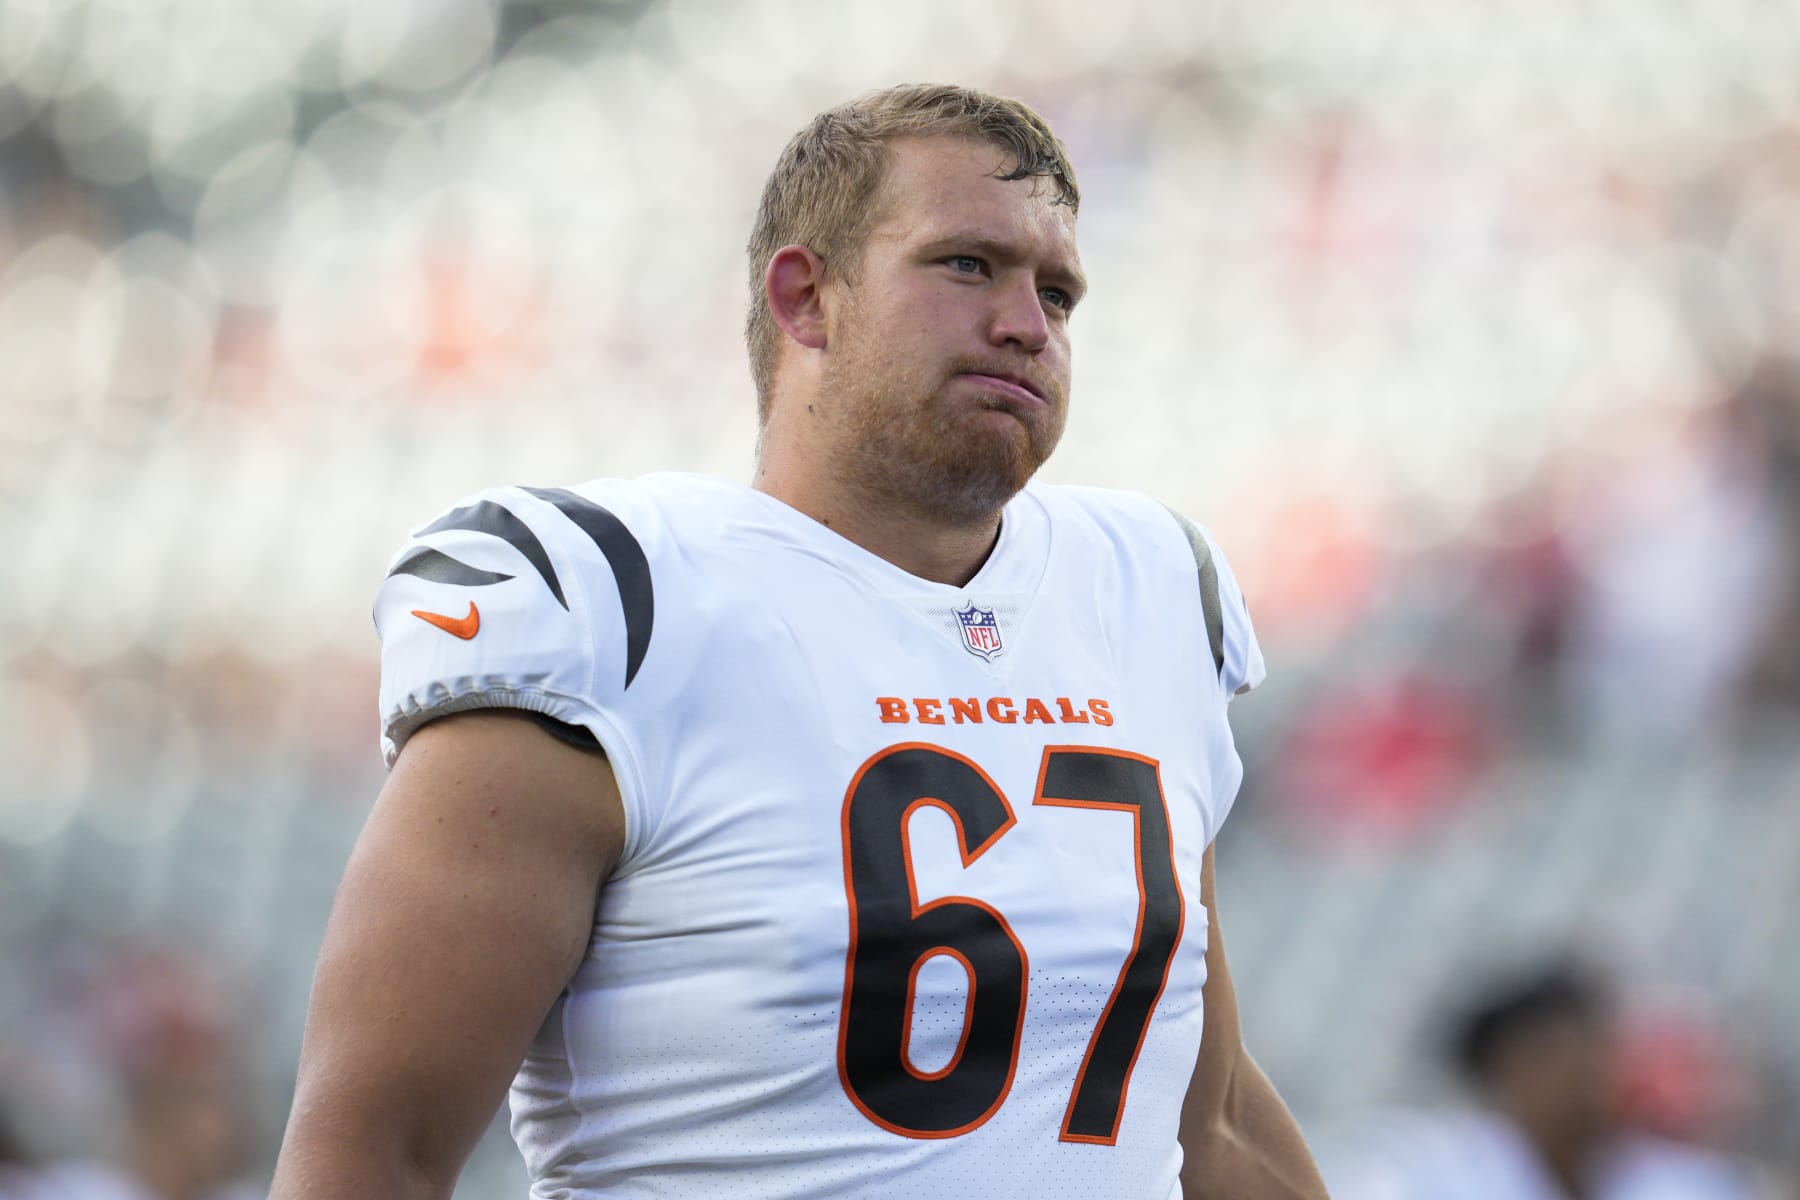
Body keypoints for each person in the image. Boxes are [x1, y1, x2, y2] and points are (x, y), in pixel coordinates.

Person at [269, 83, 1329, 1199]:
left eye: (1057, 291)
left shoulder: (1146, 590)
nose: (1028, 323)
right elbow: (372, 1153)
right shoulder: (609, 606)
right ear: (806, 296)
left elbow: (1203, 1118)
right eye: (967, 265)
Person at [1323, 962, 1766, 1200]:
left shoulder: (1686, 1180)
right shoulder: (1418, 1170)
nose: (1592, 1069)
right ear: (1503, 1075)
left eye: (1599, 1045)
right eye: (1555, 1054)